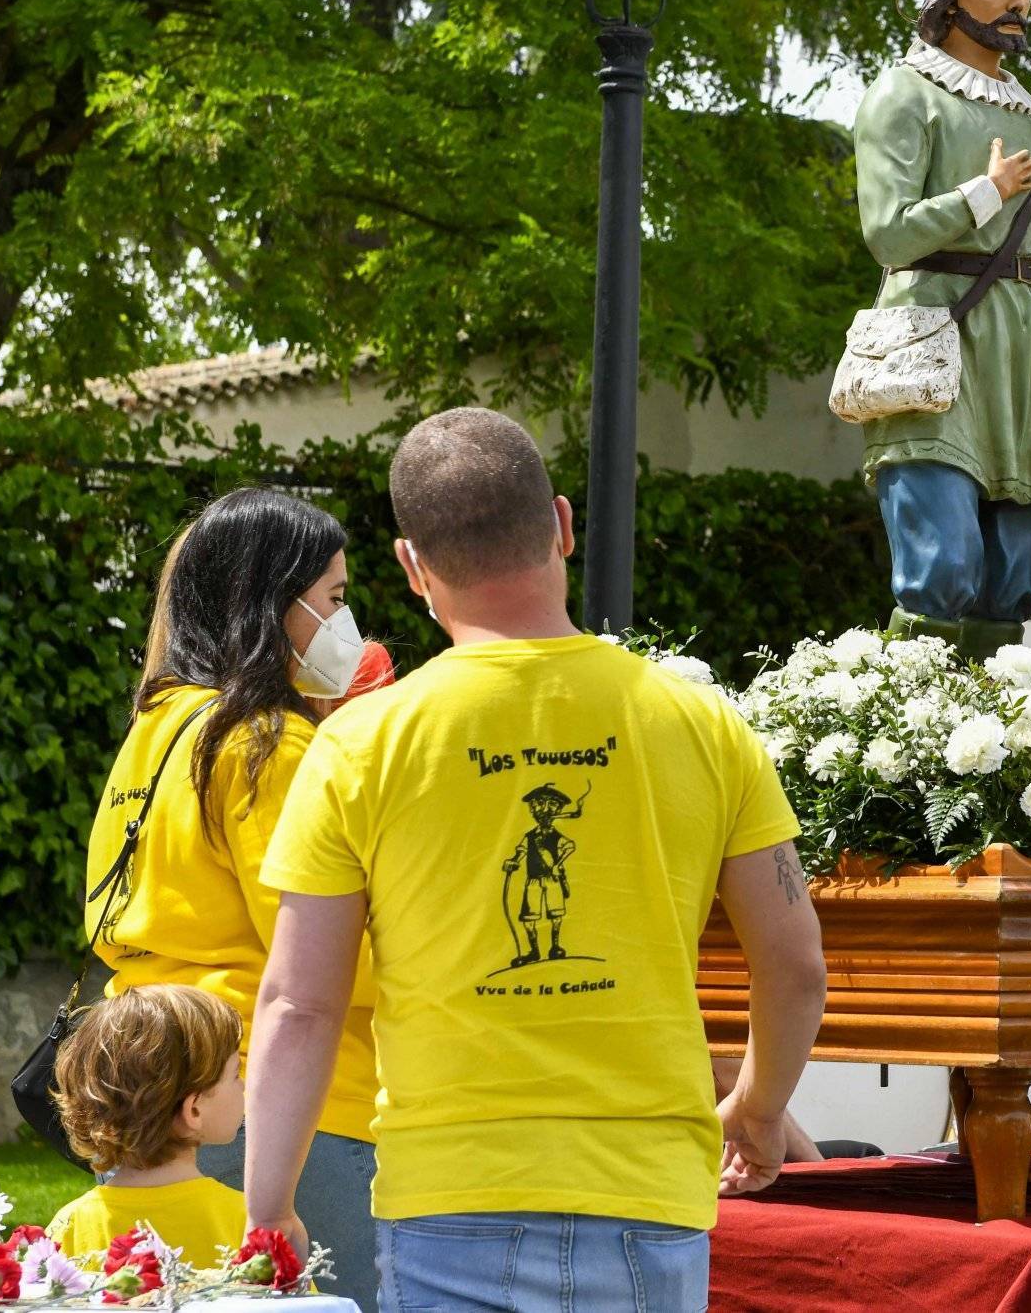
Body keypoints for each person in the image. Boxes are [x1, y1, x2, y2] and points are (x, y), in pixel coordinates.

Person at [243, 408, 828, 1313]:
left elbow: (300, 1001)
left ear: (412, 566)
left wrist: (270, 1201)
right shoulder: (699, 722)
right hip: (647, 1202)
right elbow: (793, 966)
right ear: (560, 523)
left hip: (449, 1199)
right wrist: (756, 1110)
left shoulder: (363, 741)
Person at [83, 489, 382, 1307]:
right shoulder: (267, 742)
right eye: (334, 598)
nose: (345, 624)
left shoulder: (157, 725)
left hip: (160, 1095)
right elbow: (329, 961)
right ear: (273, 607)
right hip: (289, 1111)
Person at [853, 0, 1031, 660]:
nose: (1018, 1)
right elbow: (889, 234)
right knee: (943, 562)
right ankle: (912, 740)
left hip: (1027, 357)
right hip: (939, 342)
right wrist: (983, 193)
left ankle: (991, 750)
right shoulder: (904, 92)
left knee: (1014, 577)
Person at [47, 984, 250, 1266]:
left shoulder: (68, 1227)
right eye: (236, 1075)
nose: (244, 1086)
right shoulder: (247, 1224)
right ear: (193, 1109)